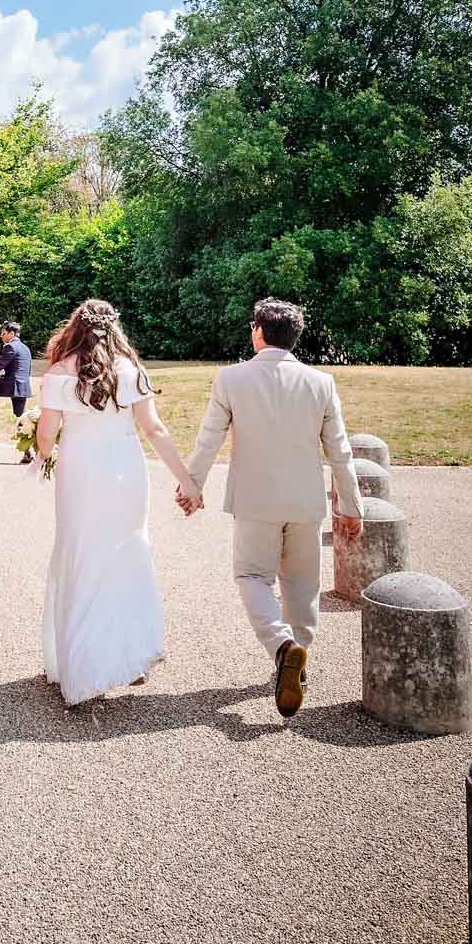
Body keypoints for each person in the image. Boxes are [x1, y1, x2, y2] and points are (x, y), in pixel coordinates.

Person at [182, 296, 364, 719]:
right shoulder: (321, 383)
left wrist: (192, 486)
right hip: (304, 502)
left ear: (260, 332)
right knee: (302, 586)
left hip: (254, 500)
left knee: (251, 576)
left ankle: (283, 647)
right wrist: (351, 507)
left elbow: (208, 439)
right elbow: (340, 453)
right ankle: (297, 663)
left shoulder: (231, 379)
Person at [37, 299, 202, 707]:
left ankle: (85, 663)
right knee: (127, 552)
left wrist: (46, 457)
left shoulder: (58, 373)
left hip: (79, 473)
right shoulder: (131, 372)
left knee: (81, 554)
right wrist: (188, 482)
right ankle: (130, 657)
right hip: (125, 472)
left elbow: (46, 434)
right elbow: (155, 429)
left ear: (74, 328)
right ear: (115, 331)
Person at [0, 321, 32, 415]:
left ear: (11, 334)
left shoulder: (10, 346)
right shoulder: (25, 347)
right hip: (24, 386)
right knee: (19, 414)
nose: (1, 336)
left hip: (12, 385)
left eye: (3, 333)